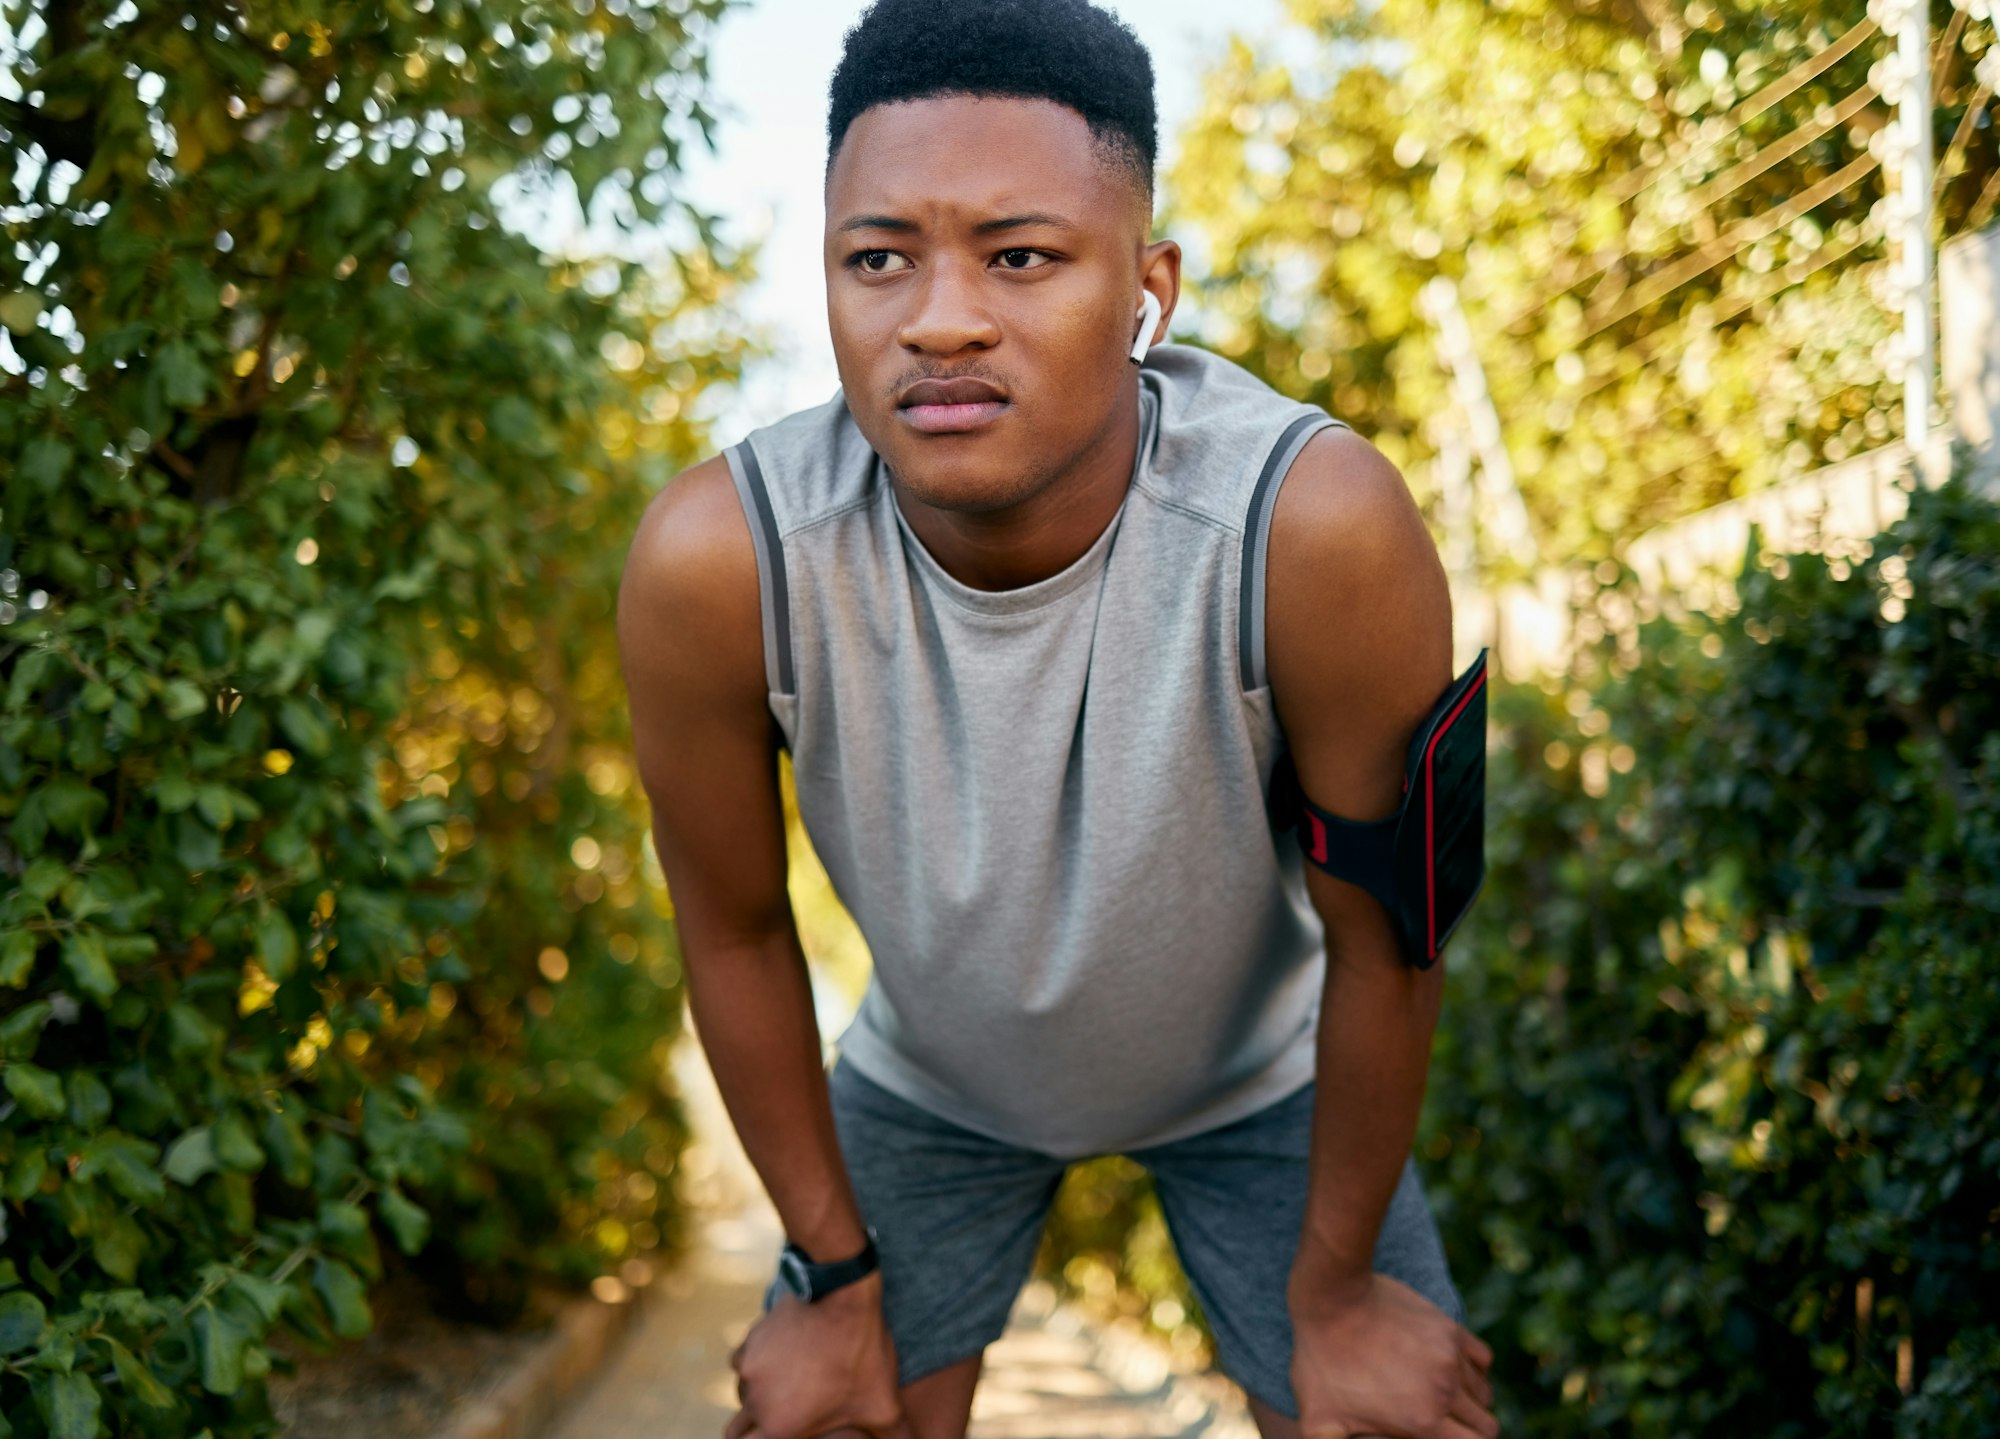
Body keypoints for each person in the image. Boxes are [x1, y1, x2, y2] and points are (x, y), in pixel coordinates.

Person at [617, 1, 1497, 1435]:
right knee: (822, 1415)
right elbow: (732, 926)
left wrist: (1336, 1293)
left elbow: (1391, 944)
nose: (941, 317)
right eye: (878, 258)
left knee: (1388, 1417)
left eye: (1020, 257)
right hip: (933, 1084)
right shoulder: (724, 562)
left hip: (1267, 1076)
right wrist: (828, 1272)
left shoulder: (1313, 528)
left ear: (1147, 292)